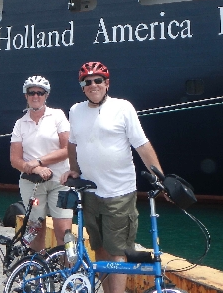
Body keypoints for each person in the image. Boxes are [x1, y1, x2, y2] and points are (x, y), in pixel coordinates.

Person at [61, 62, 164, 293]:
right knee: (99, 248)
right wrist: (74, 169)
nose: (93, 85)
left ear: (107, 83)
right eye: (87, 82)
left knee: (118, 252)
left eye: (98, 80)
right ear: (82, 87)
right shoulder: (76, 111)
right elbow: (73, 143)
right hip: (90, 192)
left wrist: (160, 178)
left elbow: (142, 145)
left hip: (118, 193)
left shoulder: (123, 108)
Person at [10, 75, 73, 251]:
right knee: (35, 230)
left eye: (40, 92)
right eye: (31, 92)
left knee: (64, 231)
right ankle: (38, 267)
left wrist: (39, 161)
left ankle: (67, 266)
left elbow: (68, 149)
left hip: (60, 181)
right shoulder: (20, 124)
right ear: (26, 95)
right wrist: (36, 169)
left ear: (46, 95)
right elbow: (15, 159)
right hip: (33, 184)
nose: (35, 96)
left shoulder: (58, 116)